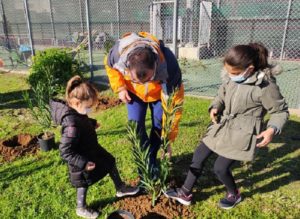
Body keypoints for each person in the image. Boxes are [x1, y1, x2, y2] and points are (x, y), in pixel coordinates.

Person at [165, 43, 289, 209]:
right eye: (228, 72)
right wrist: (216, 106)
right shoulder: (231, 79)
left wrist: (271, 129)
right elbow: (221, 95)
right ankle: (185, 192)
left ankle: (234, 193)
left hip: (242, 133)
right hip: (222, 125)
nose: (231, 76)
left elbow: (280, 111)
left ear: (250, 69)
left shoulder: (265, 87)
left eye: (235, 73)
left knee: (220, 168)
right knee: (199, 155)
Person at [50, 76, 139, 219]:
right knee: (83, 182)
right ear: (78, 103)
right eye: (89, 107)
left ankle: (120, 188)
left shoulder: (76, 111)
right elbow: (65, 151)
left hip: (92, 148)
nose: (90, 109)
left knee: (109, 161)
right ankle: (81, 208)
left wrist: (91, 123)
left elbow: (81, 119)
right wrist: (83, 163)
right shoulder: (71, 126)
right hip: (80, 157)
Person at [104, 32, 184, 175]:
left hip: (159, 95)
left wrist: (168, 139)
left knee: (159, 126)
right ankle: (144, 161)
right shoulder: (118, 54)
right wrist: (120, 88)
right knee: (136, 127)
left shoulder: (168, 64)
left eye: (149, 78)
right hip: (134, 94)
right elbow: (109, 65)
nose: (144, 83)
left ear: (155, 65)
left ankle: (152, 159)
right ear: (128, 66)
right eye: (137, 80)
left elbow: (175, 104)